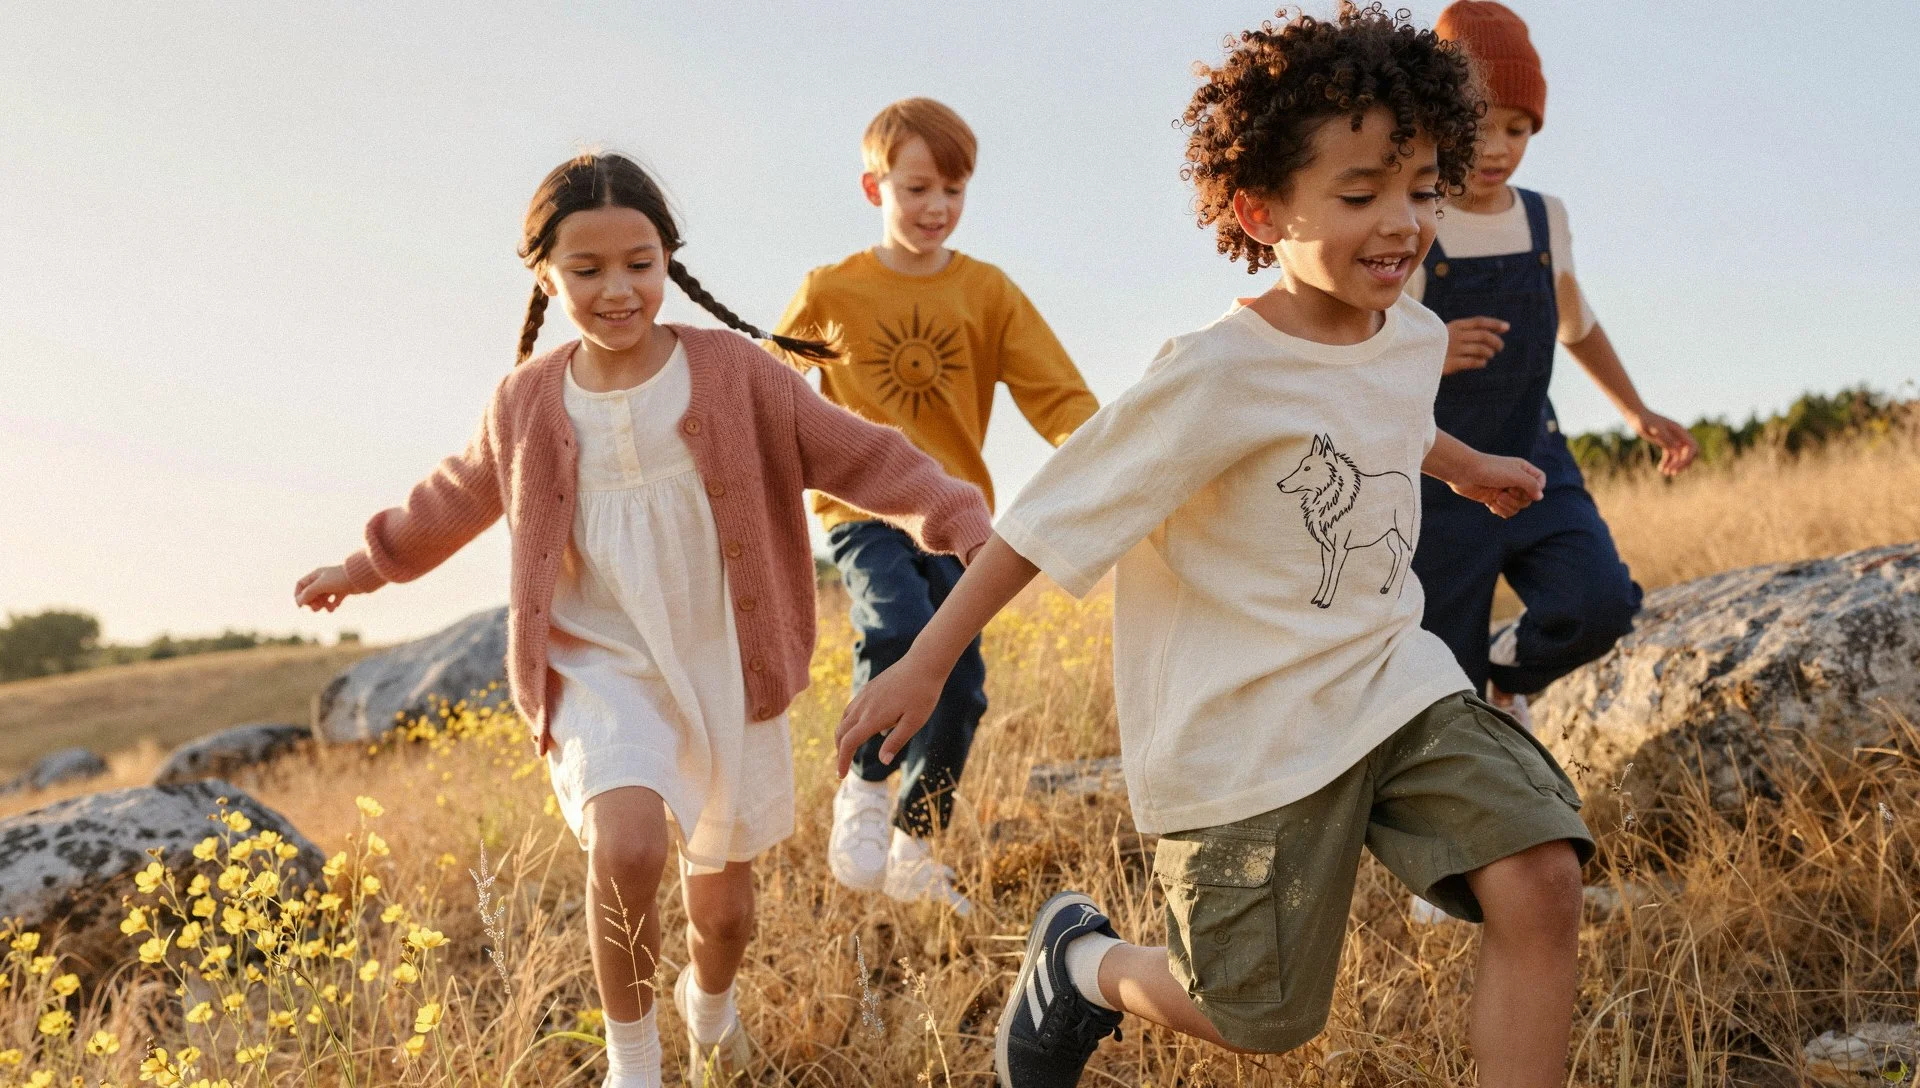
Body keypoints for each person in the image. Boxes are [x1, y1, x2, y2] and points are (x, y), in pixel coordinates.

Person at [834, 8, 1592, 1087]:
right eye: (1362, 192)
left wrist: (1464, 465)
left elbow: (1384, 419)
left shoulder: (1412, 332)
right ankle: (1081, 962)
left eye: (1424, 186)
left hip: (1393, 681)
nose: (1403, 222)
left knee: (1542, 874)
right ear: (1259, 207)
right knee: (1258, 1014)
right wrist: (926, 657)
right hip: (1250, 728)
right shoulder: (1213, 375)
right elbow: (1048, 515)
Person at [294, 153, 992, 1088]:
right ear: (544, 273)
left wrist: (962, 524)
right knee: (625, 843)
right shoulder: (526, 403)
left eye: (640, 262)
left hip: (724, 660)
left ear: (670, 257)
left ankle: (711, 1012)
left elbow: (864, 456)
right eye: (587, 271)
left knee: (725, 915)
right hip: (598, 664)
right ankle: (636, 1064)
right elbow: (454, 499)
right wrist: (363, 567)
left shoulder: (735, 373)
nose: (618, 289)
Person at [773, 97, 1099, 913]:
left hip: (957, 518)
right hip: (862, 515)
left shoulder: (987, 293)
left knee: (961, 684)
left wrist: (1120, 468)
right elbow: (767, 397)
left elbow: (1059, 398)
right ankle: (867, 792)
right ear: (872, 186)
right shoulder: (829, 290)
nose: (936, 208)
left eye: (953, 191)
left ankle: (916, 845)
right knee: (897, 627)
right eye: (918, 188)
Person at [1411, 0, 1699, 730]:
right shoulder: (1413, 219)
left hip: (1537, 460)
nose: (1498, 146)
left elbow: (1578, 322)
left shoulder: (1546, 218)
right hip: (1437, 482)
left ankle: (1507, 686)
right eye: (1477, 123)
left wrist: (1635, 410)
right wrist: (1431, 351)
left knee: (1598, 602)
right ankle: (1475, 738)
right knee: (1439, 668)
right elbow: (1362, 350)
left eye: (1517, 128)